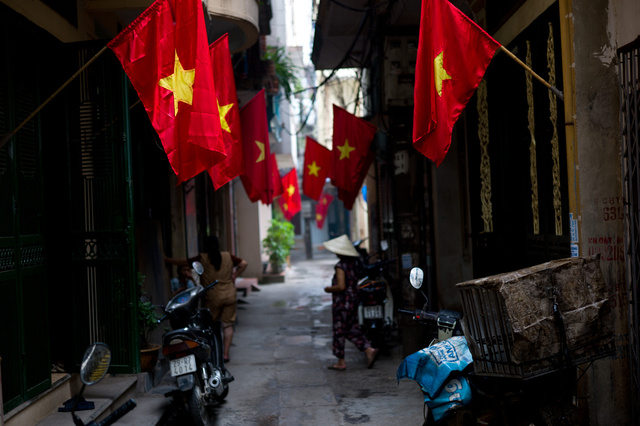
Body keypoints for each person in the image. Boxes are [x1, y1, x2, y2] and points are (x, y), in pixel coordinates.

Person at [165, 236, 248, 363]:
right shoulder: (227, 255)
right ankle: (225, 354)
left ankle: (212, 353)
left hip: (212, 296)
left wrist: (167, 260)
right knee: (227, 325)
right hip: (229, 294)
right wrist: (235, 275)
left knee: (211, 326)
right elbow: (244, 264)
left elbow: (184, 262)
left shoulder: (202, 258)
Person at [323, 234, 378, 370]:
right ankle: (368, 349)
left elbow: (341, 286)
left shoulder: (340, 266)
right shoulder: (353, 264)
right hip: (353, 300)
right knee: (351, 328)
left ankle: (341, 361)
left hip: (343, 303)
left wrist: (328, 289)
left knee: (339, 330)